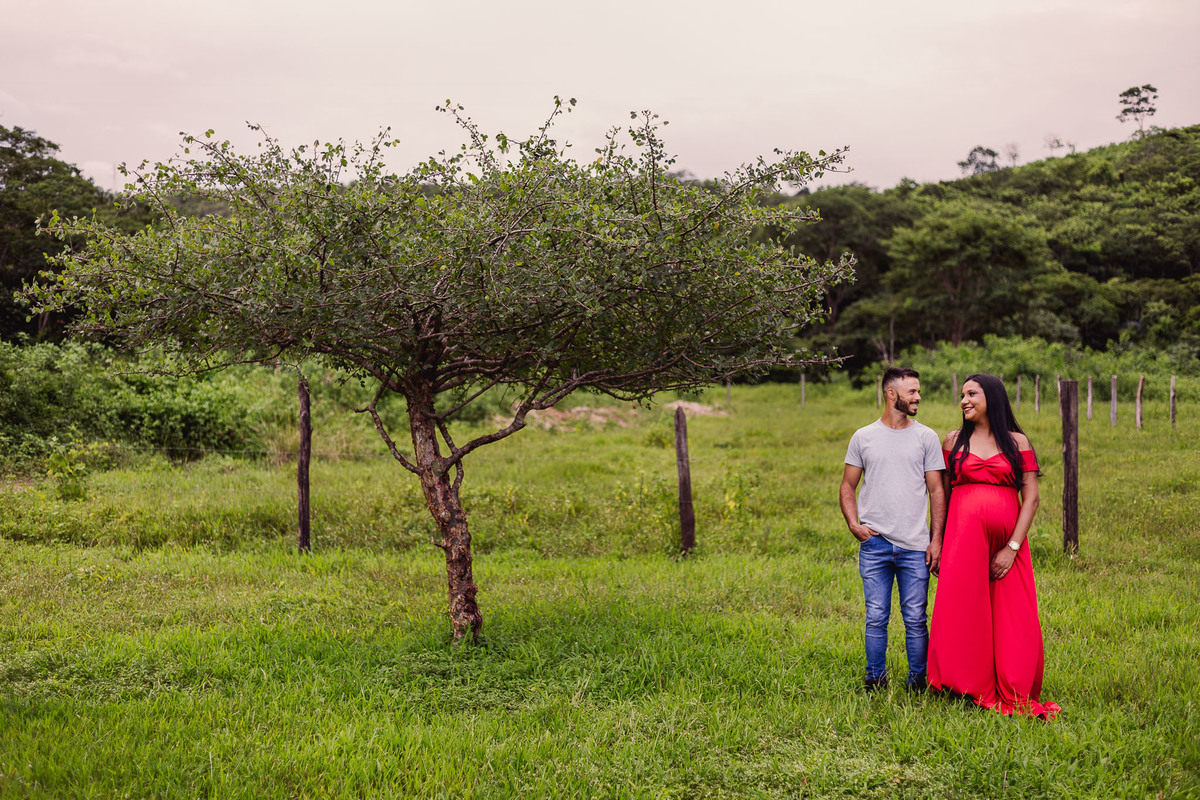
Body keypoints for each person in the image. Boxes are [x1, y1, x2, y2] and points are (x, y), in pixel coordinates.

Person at [928, 373, 1060, 719]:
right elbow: (941, 493)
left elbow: (1030, 498)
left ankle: (1013, 684)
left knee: (1012, 613)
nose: (964, 400)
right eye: (962, 395)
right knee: (964, 608)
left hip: (1007, 543)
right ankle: (965, 684)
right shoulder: (954, 440)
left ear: (993, 397)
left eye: (971, 393)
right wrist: (937, 541)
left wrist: (1012, 547)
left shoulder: (1018, 442)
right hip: (962, 537)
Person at [840, 367, 946, 691]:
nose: (917, 397)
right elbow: (847, 485)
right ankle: (875, 680)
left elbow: (937, 491)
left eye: (918, 391)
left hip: (915, 546)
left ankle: (918, 682)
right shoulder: (863, 437)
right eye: (911, 391)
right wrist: (853, 524)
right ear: (891, 394)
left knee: (915, 619)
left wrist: (936, 540)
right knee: (876, 617)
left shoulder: (926, 437)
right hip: (875, 544)